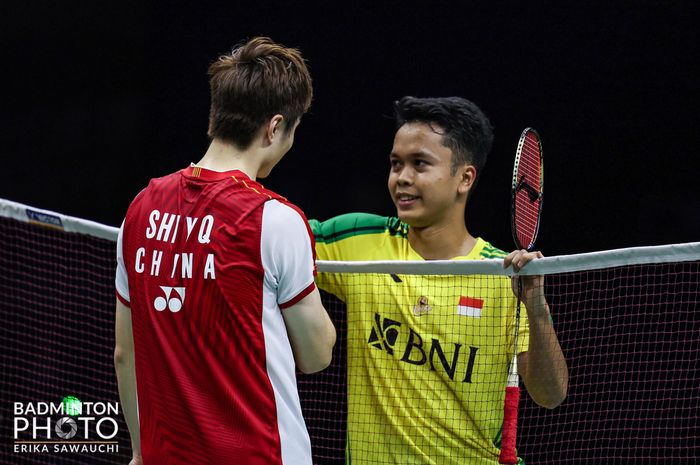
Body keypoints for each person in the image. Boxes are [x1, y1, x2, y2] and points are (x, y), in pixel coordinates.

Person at [309, 96, 568, 464]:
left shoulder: (503, 276)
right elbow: (272, 238)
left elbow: (551, 394)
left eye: (420, 164)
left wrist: (536, 306)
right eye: (396, 164)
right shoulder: (359, 241)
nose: (402, 178)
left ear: (464, 178)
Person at [114, 37, 336, 465]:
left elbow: (126, 353)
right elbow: (314, 355)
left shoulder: (140, 208)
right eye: (292, 130)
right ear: (274, 127)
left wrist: (142, 450)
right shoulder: (274, 219)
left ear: (216, 116)